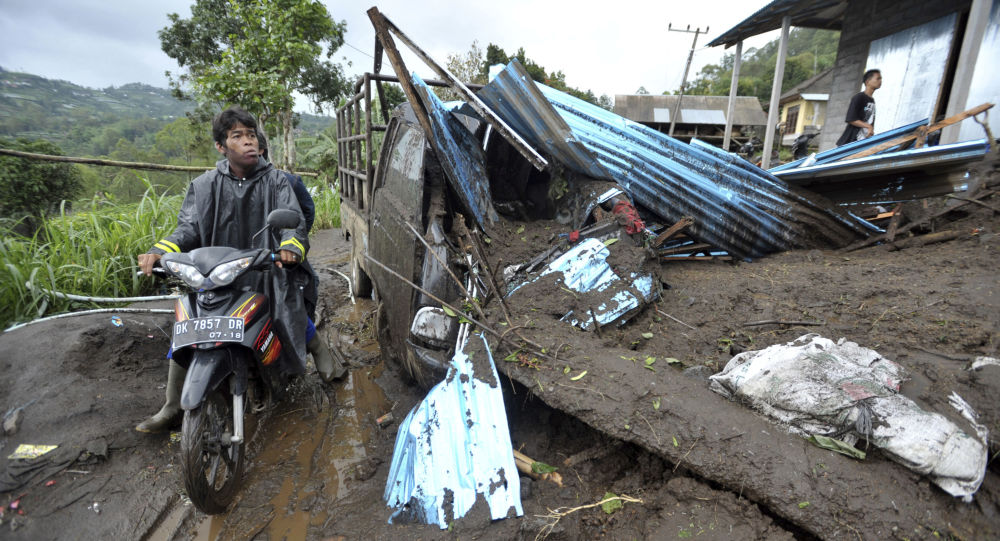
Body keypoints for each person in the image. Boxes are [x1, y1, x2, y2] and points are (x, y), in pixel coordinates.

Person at [135, 106, 344, 433]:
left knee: (287, 311)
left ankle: (318, 352)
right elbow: (187, 227)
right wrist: (159, 251)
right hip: (215, 274)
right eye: (237, 136)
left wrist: (290, 247)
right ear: (221, 146)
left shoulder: (278, 181)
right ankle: (173, 405)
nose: (248, 142)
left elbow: (295, 222)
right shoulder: (204, 186)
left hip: (265, 270)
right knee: (188, 324)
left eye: (251, 135)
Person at [836, 69, 881, 146]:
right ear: (867, 82)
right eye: (878, 78)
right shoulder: (859, 97)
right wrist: (868, 126)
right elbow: (851, 119)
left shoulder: (872, 100)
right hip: (851, 142)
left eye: (881, 79)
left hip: (862, 142)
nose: (880, 81)